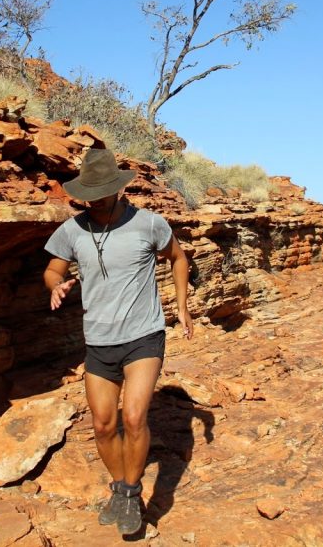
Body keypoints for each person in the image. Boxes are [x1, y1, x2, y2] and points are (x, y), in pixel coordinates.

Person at [43, 147, 192, 536]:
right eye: (89, 193)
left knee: (133, 417)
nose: (95, 200)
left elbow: (178, 258)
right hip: (99, 340)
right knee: (104, 425)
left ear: (119, 189)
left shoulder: (149, 224)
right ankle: (119, 489)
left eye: (102, 191)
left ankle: (131, 490)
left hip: (143, 335)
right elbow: (51, 268)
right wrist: (57, 285)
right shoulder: (73, 230)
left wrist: (183, 305)